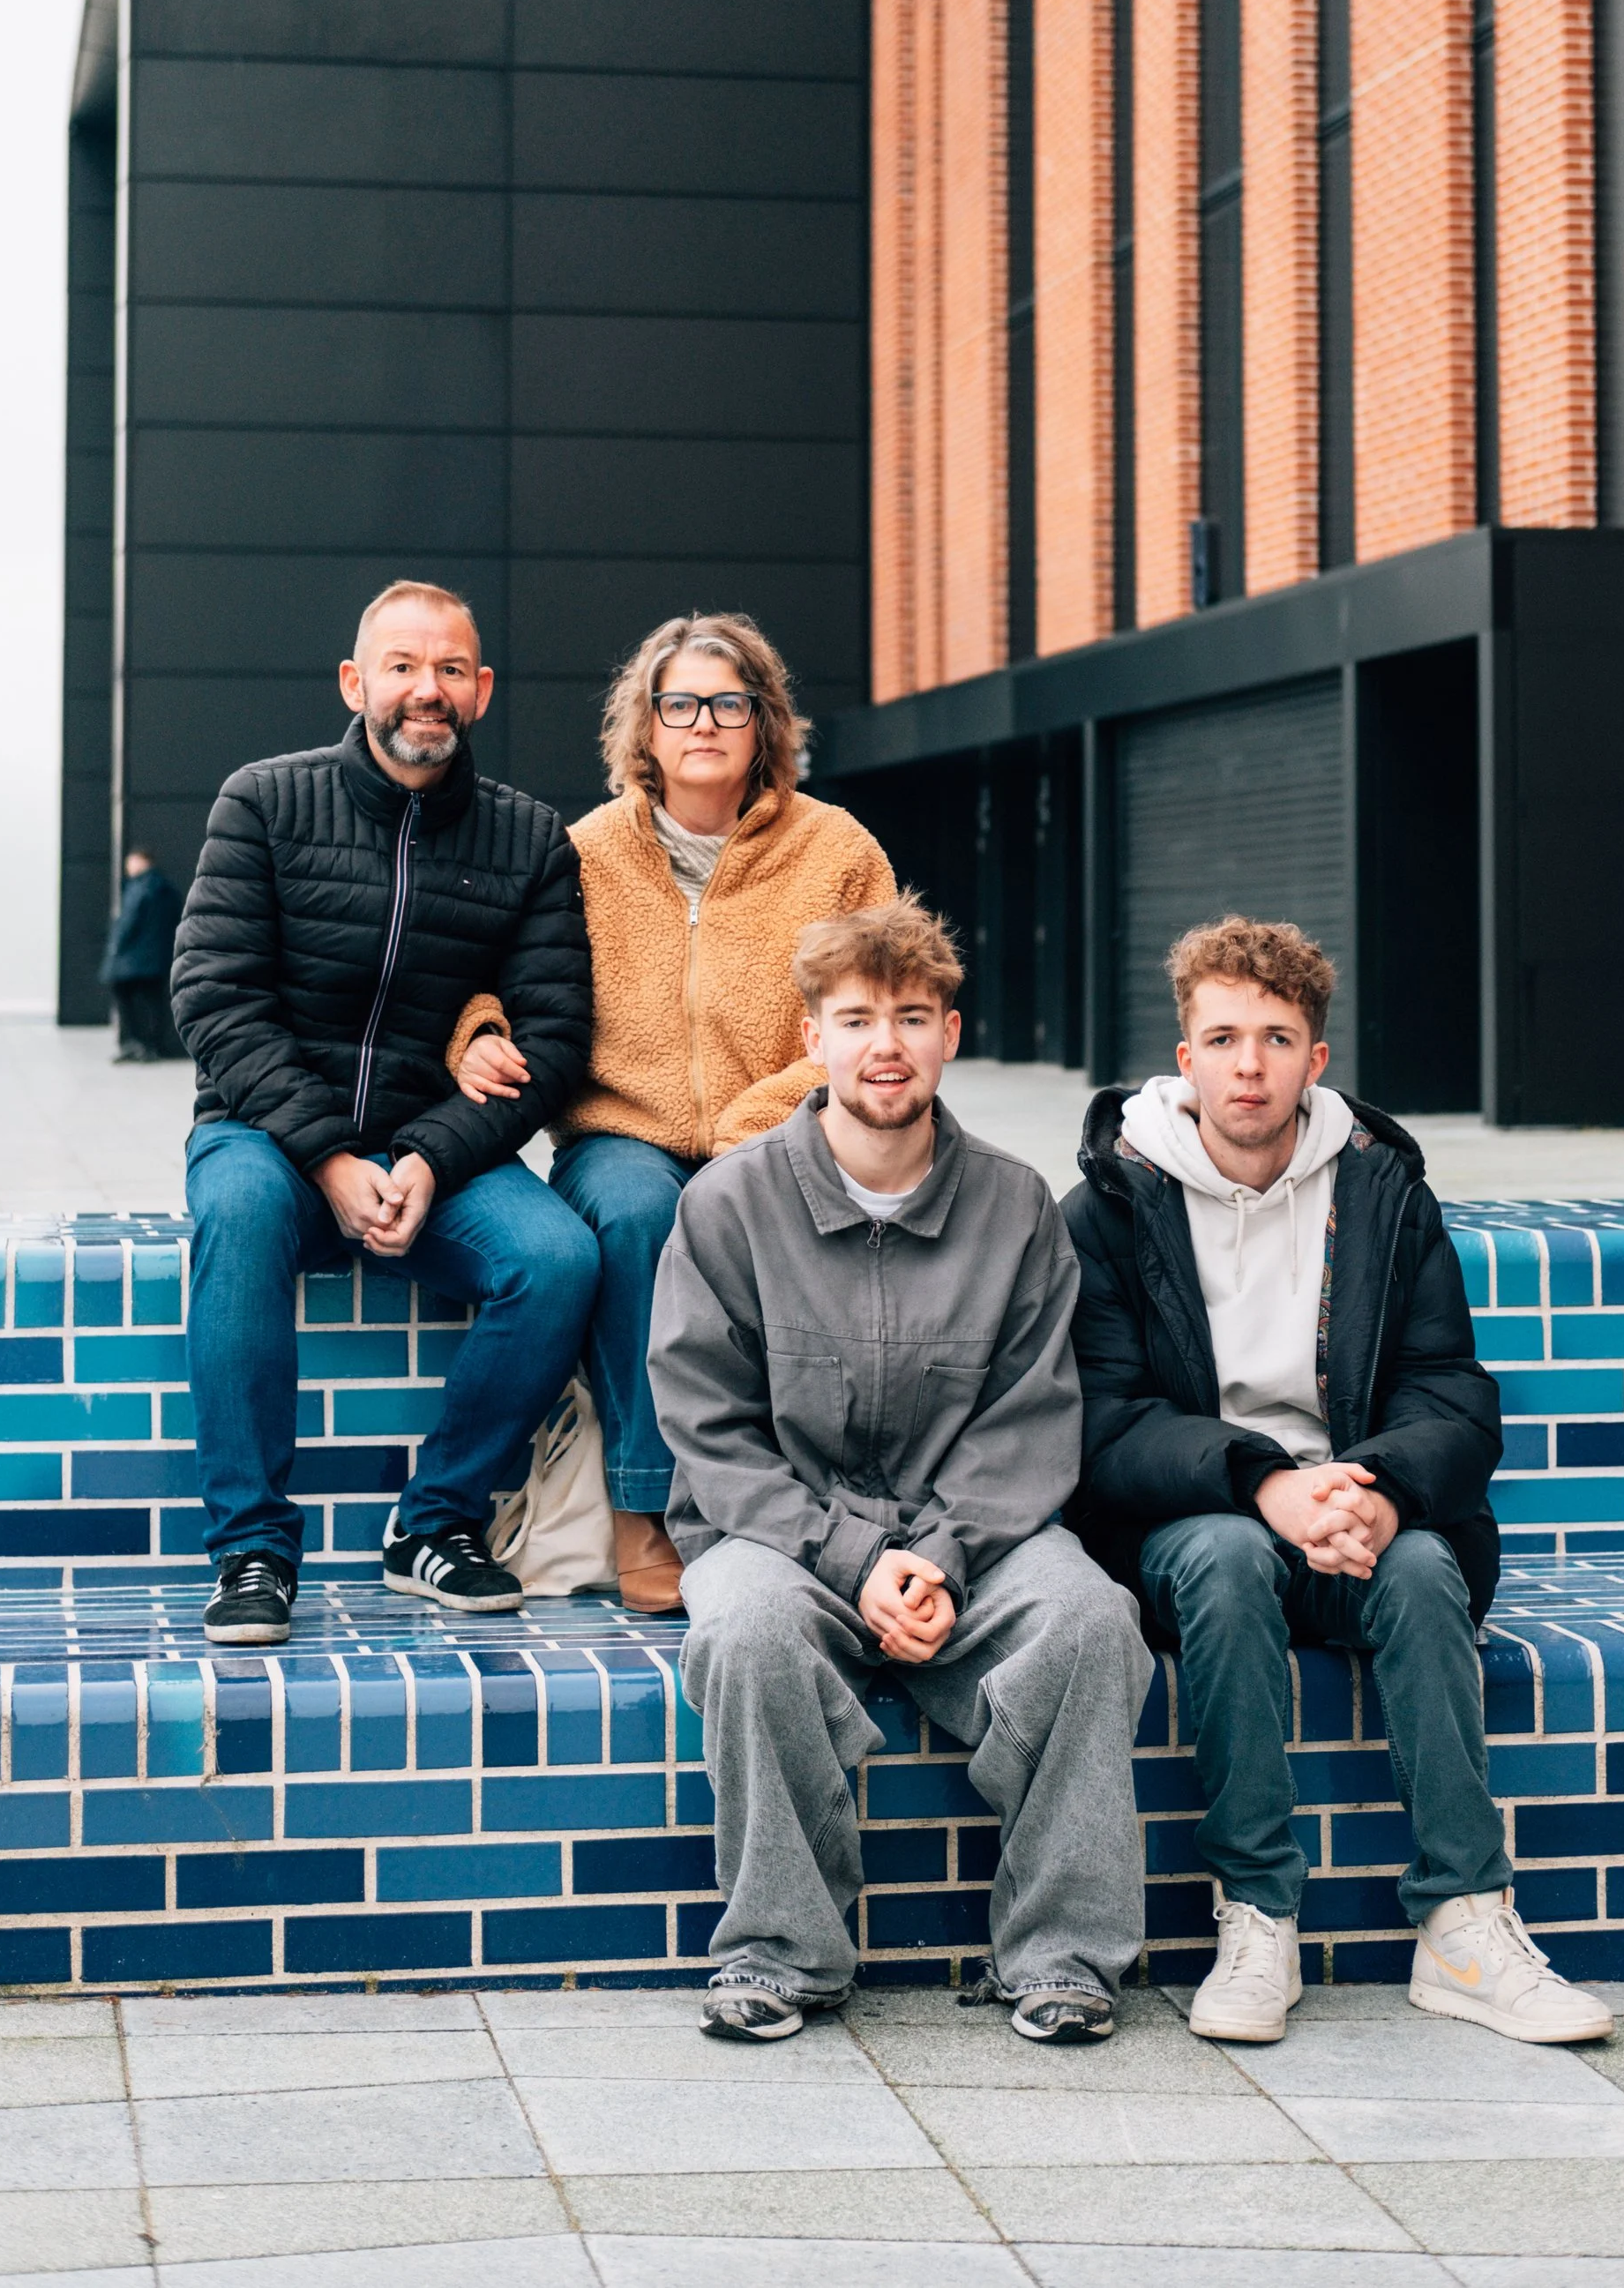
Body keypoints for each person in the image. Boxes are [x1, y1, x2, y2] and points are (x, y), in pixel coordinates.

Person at [1067, 914, 1612, 2049]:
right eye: (1222, 1039)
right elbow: (1106, 1426)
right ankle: (1258, 1913)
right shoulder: (1110, 1206)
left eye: (1275, 1038)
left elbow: (1452, 1395)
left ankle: (1466, 1921)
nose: (1248, 1064)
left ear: (1317, 1060)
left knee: (1421, 1569)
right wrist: (1263, 1483)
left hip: (1359, 1516)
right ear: (1186, 1061)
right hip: (1201, 1521)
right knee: (1220, 1561)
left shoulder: (1383, 1195)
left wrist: (1379, 1491)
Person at [647, 897, 1151, 2045]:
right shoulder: (728, 1203)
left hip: (971, 1537)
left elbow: (1031, 1417)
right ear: (812, 1037)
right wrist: (858, 1558)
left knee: (1088, 1618)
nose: (886, 1043)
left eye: (912, 1016)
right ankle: (782, 1949)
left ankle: (1064, 1952)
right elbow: (711, 1433)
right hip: (780, 1539)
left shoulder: (1014, 1204)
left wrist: (933, 1554)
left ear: (950, 1035)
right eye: (858, 1017)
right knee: (741, 1630)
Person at [169, 579, 597, 1649]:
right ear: (356, 682)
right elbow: (214, 995)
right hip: (267, 1140)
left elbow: (553, 1039)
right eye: (402, 667)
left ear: (482, 690)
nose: (427, 690)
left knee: (556, 1259)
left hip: (433, 1155)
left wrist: (427, 1158)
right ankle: (253, 1549)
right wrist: (327, 1158)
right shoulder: (263, 801)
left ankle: (436, 1522)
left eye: (451, 669)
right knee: (236, 1216)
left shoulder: (530, 840)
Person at [448, 610, 893, 1612]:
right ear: (644, 729)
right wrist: (477, 1031)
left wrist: (758, 1121)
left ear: (763, 723)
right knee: (642, 1213)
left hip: (786, 1125)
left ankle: (816, 1502)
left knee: (787, 1223)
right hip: (622, 1131)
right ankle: (643, 1508)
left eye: (728, 704)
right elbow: (495, 977)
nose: (702, 723)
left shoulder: (838, 853)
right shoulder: (588, 851)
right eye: (678, 704)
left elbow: (874, 1008)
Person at [100, 848, 183, 1063]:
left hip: (133, 958)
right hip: (158, 957)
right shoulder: (167, 888)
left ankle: (133, 1043)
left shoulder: (139, 888)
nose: (128, 867)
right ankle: (152, 1045)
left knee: (127, 1000)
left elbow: (127, 924)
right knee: (153, 1002)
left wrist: (115, 947)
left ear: (142, 861)